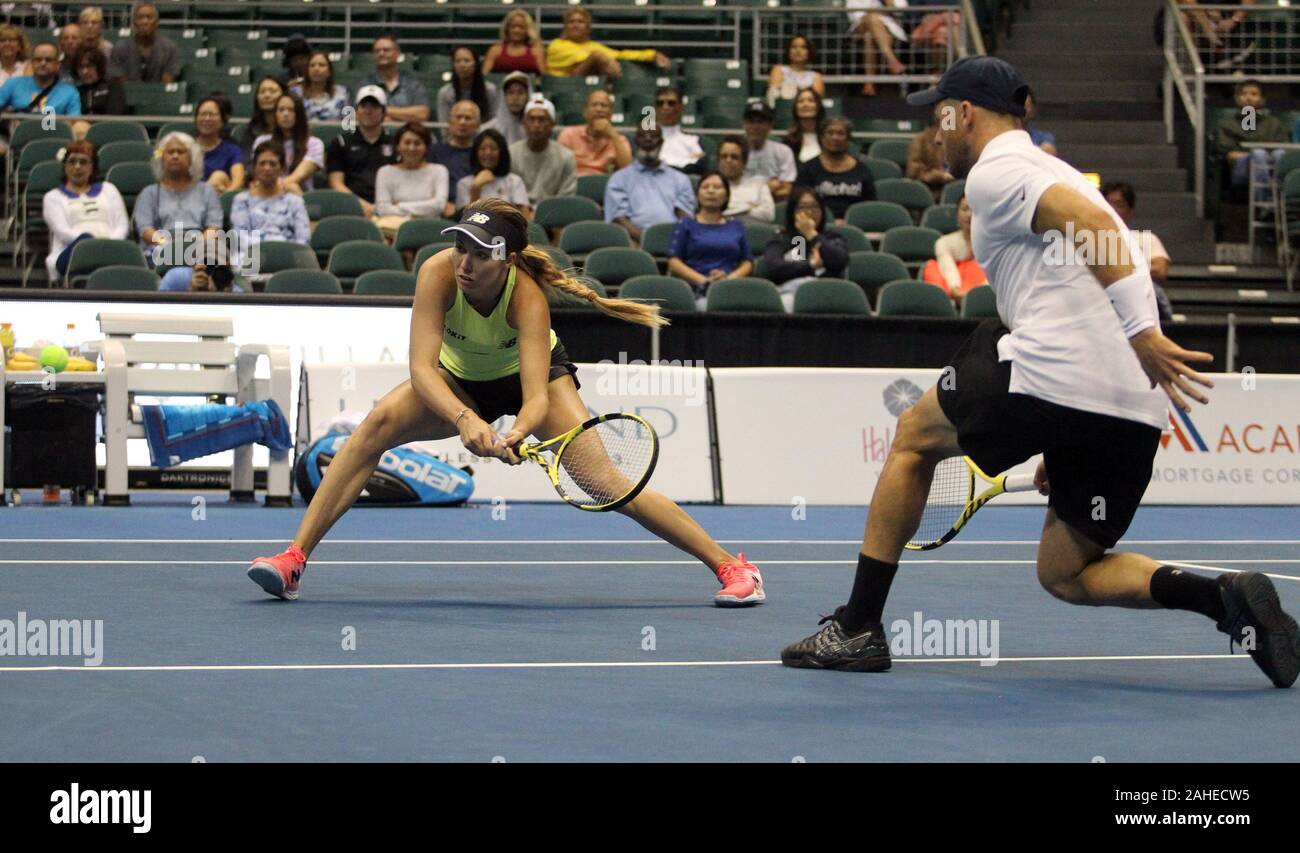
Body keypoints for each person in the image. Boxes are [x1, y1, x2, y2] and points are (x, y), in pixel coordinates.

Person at [782, 56, 1300, 691]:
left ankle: (857, 628)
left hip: (1056, 367)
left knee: (914, 439)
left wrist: (1143, 333)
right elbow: (1106, 239)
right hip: (1131, 406)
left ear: (964, 112)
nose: (935, 132)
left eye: (940, 116)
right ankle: (1224, 599)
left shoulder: (997, 171)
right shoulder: (1056, 168)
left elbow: (1099, 232)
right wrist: (1066, 425)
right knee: (1067, 571)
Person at [248, 198, 766, 609]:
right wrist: (464, 418)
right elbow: (422, 370)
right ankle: (293, 559)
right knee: (375, 425)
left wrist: (517, 432)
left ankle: (733, 567)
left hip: (527, 381)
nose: (465, 263)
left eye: (480, 253)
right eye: (460, 248)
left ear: (507, 258)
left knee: (609, 485)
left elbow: (537, 395)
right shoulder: (436, 273)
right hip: (461, 379)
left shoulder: (528, 298)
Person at [133, 131, 223, 290]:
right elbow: (146, 230)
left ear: (192, 158)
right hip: (161, 247)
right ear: (162, 158)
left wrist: (196, 247)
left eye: (180, 152)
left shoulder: (206, 191)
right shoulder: (149, 193)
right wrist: (170, 245)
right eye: (170, 152)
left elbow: (214, 227)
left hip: (200, 248)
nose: (175, 156)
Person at [42, 139, 128, 282]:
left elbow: (122, 225)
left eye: (83, 162)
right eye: (72, 161)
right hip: (73, 251)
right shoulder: (53, 197)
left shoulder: (109, 189)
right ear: (64, 165)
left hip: (111, 247)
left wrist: (108, 245)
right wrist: (91, 244)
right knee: (85, 238)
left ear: (92, 166)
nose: (77, 167)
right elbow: (63, 232)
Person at [666, 172, 752, 307]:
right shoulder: (686, 224)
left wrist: (728, 280)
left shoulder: (737, 226)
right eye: (705, 187)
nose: (711, 191)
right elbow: (674, 262)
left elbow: (747, 262)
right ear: (697, 194)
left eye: (717, 187)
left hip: (731, 287)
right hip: (695, 289)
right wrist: (705, 281)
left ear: (727, 195)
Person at [762, 185, 848, 311]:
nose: (809, 212)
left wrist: (811, 235)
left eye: (814, 207)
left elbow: (840, 261)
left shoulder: (832, 237)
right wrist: (811, 265)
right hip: (791, 292)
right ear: (792, 212)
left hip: (829, 294)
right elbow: (773, 267)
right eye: (803, 207)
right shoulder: (781, 238)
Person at [230, 141, 311, 273]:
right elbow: (240, 238)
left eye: (273, 164)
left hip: (288, 260)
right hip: (251, 259)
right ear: (254, 167)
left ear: (282, 168)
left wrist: (280, 254)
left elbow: (303, 240)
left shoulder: (296, 202)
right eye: (262, 163)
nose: (267, 168)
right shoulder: (241, 201)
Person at [605, 125, 695, 245]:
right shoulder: (619, 179)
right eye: (643, 136)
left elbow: (685, 217)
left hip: (674, 242)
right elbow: (619, 219)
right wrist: (648, 241)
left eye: (653, 136)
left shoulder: (680, 179)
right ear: (636, 142)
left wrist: (674, 242)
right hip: (634, 243)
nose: (648, 139)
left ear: (662, 142)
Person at [1103, 181, 1174, 323]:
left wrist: (1115, 269)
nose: (1112, 209)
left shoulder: (1146, 238)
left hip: (1140, 299)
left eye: (1119, 204)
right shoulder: (1089, 242)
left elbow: (1160, 271)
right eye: (1107, 203)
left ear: (1130, 211)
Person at [326, 85, 397, 219]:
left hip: (389, 208)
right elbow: (336, 183)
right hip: (350, 207)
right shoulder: (341, 142)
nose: (368, 111)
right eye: (364, 106)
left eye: (374, 106)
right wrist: (360, 204)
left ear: (384, 112)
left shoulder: (395, 143)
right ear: (356, 111)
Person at [546, 6, 670, 78]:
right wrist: (600, 59)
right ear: (565, 26)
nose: (575, 25)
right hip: (567, 85)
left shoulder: (594, 46)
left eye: (580, 22)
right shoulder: (556, 45)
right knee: (597, 57)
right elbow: (586, 57)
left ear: (588, 27)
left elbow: (620, 55)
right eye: (571, 22)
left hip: (591, 87)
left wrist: (652, 54)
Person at [1216, 78, 1288, 202]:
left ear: (1262, 99)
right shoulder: (1226, 124)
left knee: (1279, 154)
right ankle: (1265, 203)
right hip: (1241, 170)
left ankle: (1280, 201)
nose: (1248, 98)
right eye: (1244, 94)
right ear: (1237, 99)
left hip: (1271, 166)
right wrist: (1254, 156)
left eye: (1254, 94)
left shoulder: (1274, 124)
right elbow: (1228, 154)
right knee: (1258, 153)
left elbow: (1284, 150)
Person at [796, 117, 876, 222]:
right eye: (830, 133)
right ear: (822, 137)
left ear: (848, 138)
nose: (835, 137)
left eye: (840, 133)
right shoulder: (808, 169)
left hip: (853, 227)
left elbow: (869, 207)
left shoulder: (862, 171)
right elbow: (800, 204)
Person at [374, 122, 450, 228]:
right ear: (398, 146)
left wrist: (399, 206)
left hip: (431, 228)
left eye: (417, 143)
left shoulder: (439, 171)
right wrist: (426, 207)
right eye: (407, 142)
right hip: (394, 230)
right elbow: (382, 209)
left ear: (426, 147)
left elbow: (439, 206)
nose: (411, 148)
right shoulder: (385, 172)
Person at [509, 95, 577, 207]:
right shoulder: (511, 153)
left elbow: (566, 199)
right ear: (524, 123)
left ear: (552, 124)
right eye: (531, 119)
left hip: (552, 217)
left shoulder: (566, 157)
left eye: (542, 120)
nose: (536, 125)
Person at [920, 194, 987, 306]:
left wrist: (977, 295)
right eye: (965, 209)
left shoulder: (992, 243)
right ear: (957, 215)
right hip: (952, 289)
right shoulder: (944, 242)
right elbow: (948, 269)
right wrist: (956, 292)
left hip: (981, 291)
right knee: (931, 267)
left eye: (974, 210)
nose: (969, 215)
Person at [253, 92, 325, 194]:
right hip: (267, 193)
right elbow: (260, 173)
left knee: (292, 187)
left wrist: (279, 187)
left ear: (299, 114)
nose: (285, 114)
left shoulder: (314, 144)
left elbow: (296, 177)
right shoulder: (262, 142)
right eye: (281, 110)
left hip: (299, 193)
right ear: (275, 114)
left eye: (291, 110)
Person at [556, 88, 632, 176]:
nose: (599, 109)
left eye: (604, 105)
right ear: (585, 112)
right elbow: (558, 169)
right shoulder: (568, 135)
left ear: (611, 114)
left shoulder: (618, 140)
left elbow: (628, 170)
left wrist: (613, 134)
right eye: (594, 105)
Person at [455, 127, 529, 215]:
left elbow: (525, 218)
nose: (488, 153)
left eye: (493, 148)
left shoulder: (514, 181)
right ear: (475, 153)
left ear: (502, 153)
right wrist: (476, 188)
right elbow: (465, 220)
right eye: (482, 149)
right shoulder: (464, 184)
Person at [361, 34, 429, 123]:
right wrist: (403, 116)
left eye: (386, 50)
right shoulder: (365, 85)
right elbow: (354, 114)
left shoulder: (412, 85)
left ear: (397, 54)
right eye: (377, 51)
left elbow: (422, 114)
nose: (381, 53)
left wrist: (381, 111)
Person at [0, 40, 80, 115]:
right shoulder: (13, 84)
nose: (43, 63)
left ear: (57, 65)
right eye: (38, 60)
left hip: (54, 129)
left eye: (48, 60)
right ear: (31, 63)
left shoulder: (69, 92)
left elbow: (74, 122)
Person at [108, 2, 180, 83]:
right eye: (140, 17)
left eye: (149, 17)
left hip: (158, 94)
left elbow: (166, 86)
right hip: (130, 94)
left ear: (157, 22)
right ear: (134, 23)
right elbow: (122, 87)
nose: (145, 21)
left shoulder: (169, 49)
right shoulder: (120, 49)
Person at [848, 0, 908, 96]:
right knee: (872, 18)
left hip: (888, 30)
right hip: (861, 27)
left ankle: (869, 84)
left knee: (869, 37)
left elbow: (901, 10)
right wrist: (879, 12)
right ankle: (892, 60)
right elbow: (855, 15)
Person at [741, 100, 796, 202]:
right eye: (751, 121)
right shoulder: (735, 152)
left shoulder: (784, 151)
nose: (755, 126)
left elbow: (787, 190)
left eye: (761, 121)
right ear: (744, 124)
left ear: (771, 125)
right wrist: (768, 188)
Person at [717, 135, 774, 224]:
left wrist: (729, 210)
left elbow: (768, 215)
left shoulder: (759, 185)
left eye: (734, 157)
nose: (728, 160)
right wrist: (748, 207)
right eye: (724, 156)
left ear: (744, 162)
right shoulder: (711, 185)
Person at [437, 45, 499, 126]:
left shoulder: (490, 90)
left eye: (466, 61)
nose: (462, 65)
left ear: (475, 64)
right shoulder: (445, 93)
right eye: (458, 61)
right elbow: (444, 125)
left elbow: (495, 120)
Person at [193, 95, 244, 193]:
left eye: (211, 114)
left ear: (222, 121)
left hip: (219, 199)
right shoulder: (185, 146)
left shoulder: (232, 150)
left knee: (219, 177)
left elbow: (238, 181)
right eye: (203, 114)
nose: (207, 119)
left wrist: (225, 198)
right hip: (188, 196)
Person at [430, 99, 481, 188]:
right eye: (458, 117)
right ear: (449, 123)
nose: (462, 122)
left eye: (467, 118)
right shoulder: (434, 151)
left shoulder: (483, 154)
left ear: (477, 125)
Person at [653, 86, 705, 173]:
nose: (665, 107)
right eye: (660, 103)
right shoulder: (644, 140)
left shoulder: (693, 141)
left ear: (681, 107)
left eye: (671, 103)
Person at [482, 9, 547, 76]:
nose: (517, 30)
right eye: (513, 27)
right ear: (507, 28)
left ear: (528, 30)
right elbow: (484, 76)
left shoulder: (536, 51)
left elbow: (544, 78)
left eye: (521, 27)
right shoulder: (495, 50)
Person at [290, 50, 348, 122]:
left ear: (329, 71)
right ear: (307, 70)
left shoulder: (341, 93)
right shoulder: (295, 93)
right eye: (312, 65)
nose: (316, 69)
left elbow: (349, 124)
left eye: (321, 65)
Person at [767, 34, 824, 105]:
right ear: (788, 51)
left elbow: (815, 102)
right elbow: (774, 96)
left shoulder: (816, 76)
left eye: (803, 47)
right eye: (794, 47)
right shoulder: (779, 70)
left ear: (809, 52)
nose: (798, 50)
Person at [906, 118, 954, 202]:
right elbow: (914, 173)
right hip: (928, 189)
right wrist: (940, 176)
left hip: (950, 187)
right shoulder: (921, 141)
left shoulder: (951, 141)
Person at [239, 76, 285, 159]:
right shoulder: (249, 130)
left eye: (272, 91)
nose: (266, 95)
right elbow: (247, 161)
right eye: (262, 92)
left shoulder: (292, 129)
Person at [482, 70, 530, 147]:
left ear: (528, 96)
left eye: (520, 92)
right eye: (510, 92)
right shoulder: (488, 129)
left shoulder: (535, 129)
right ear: (503, 96)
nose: (515, 98)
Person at [75, 46, 124, 117]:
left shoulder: (112, 85)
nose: (84, 72)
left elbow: (114, 115)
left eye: (89, 66)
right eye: (80, 67)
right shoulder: (76, 90)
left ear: (99, 66)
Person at [783, 87, 824, 164]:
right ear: (795, 108)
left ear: (818, 106)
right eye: (800, 101)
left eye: (811, 100)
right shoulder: (788, 141)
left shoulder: (828, 138)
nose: (805, 104)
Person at [1021, 87, 1056, 156]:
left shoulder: (1043, 137)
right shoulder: (1002, 137)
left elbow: (1049, 151)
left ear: (1033, 110)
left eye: (1025, 106)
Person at [0, 24, 31, 88]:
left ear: (19, 46)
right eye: (3, 40)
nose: (7, 43)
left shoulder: (28, 66)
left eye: (11, 40)